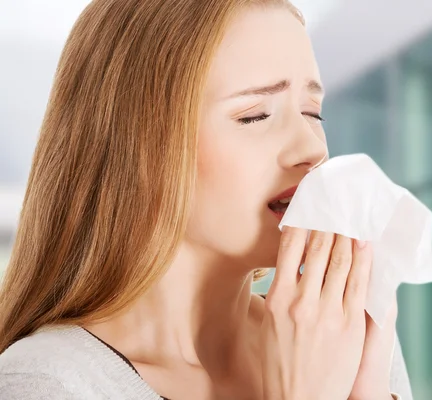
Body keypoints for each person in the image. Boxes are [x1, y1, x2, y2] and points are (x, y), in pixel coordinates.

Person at [0, 0, 407, 399]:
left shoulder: (342, 340)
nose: (312, 148)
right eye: (255, 115)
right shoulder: (46, 385)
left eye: (312, 113)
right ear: (139, 147)